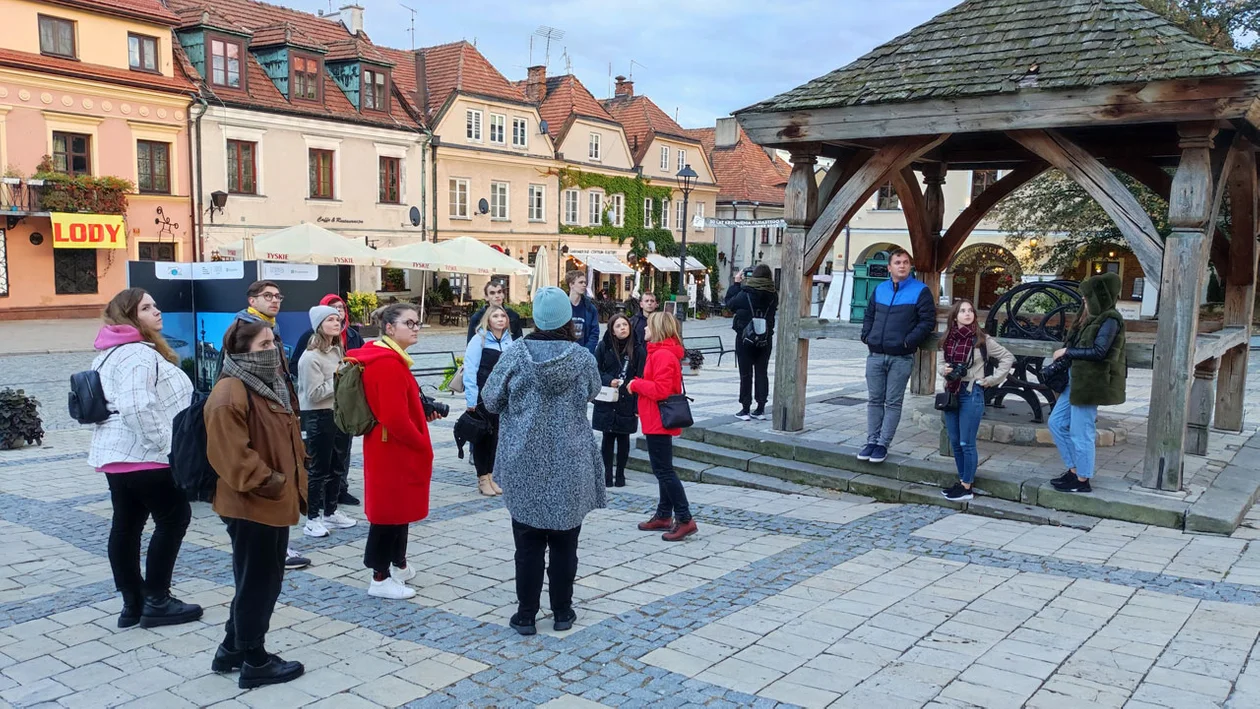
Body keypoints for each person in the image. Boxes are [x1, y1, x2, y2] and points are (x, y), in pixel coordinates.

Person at [482, 286, 605, 635]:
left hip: (524, 459)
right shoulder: (581, 358)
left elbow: (490, 399)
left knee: (528, 542)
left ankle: (526, 615)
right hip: (571, 460)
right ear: (568, 318)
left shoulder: (515, 354)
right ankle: (563, 612)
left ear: (536, 317)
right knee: (566, 541)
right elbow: (594, 391)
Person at [88, 288, 202, 630]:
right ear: (129, 315)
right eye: (147, 307)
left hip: (116, 457)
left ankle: (132, 602)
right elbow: (138, 405)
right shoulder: (137, 354)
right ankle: (157, 600)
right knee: (173, 519)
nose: (157, 311)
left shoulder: (106, 354)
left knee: (126, 526)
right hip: (147, 458)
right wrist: (168, 446)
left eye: (155, 304)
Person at [205, 318, 307, 689]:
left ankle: (232, 648)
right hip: (253, 503)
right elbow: (232, 456)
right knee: (258, 584)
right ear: (241, 352)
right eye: (263, 346)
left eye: (273, 344)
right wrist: (272, 482)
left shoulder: (265, 383)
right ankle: (254, 660)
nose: (272, 352)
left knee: (260, 579)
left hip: (271, 502)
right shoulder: (231, 391)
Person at [346, 304, 436, 599]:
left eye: (417, 323)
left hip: (390, 446)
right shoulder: (386, 363)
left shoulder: (391, 358)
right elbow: (395, 417)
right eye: (409, 323)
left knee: (398, 510)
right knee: (387, 513)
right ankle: (379, 576)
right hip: (392, 448)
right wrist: (421, 442)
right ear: (389, 328)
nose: (415, 328)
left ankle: (397, 564)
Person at [230, 280, 311, 570]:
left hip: (277, 406)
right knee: (268, 476)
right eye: (268, 296)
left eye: (278, 296)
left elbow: (281, 373)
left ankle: (279, 543)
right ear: (252, 300)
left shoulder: (270, 326)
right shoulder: (245, 327)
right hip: (259, 413)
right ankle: (272, 547)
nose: (275, 300)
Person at [1047, 273, 1127, 494]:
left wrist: (1067, 351)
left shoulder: (1110, 319)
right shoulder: (1089, 317)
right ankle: (1075, 470)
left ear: (1099, 296)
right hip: (1075, 380)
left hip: (1090, 383)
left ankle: (1082, 480)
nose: (1083, 299)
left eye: (1087, 295)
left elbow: (1100, 352)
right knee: (1056, 423)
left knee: (1082, 432)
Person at [859, 248, 936, 464]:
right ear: (889, 267)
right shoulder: (880, 289)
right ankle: (871, 441)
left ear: (910, 266)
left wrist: (908, 342)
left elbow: (927, 322)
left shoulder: (920, 291)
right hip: (875, 354)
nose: (902, 265)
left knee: (892, 402)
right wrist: (867, 336)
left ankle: (883, 444)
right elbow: (869, 314)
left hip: (901, 357)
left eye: (905, 262)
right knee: (874, 400)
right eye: (897, 262)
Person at [627, 312, 698, 542]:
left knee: (664, 471)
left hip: (659, 420)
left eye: (647, 325)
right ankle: (664, 514)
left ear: (657, 329)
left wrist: (636, 384)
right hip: (653, 418)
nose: (643, 329)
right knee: (662, 469)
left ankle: (685, 518)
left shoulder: (663, 355)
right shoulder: (658, 353)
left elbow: (662, 390)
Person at [937, 299, 1014, 501]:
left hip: (972, 392)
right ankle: (963, 480)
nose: (967, 314)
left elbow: (1007, 357)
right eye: (962, 311)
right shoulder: (947, 339)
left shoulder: (982, 340)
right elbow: (941, 361)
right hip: (952, 392)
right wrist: (943, 370)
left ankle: (967, 486)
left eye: (970, 310)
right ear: (955, 316)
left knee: (966, 442)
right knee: (954, 441)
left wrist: (992, 380)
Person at [296, 305, 357, 537]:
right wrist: (341, 379)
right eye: (330, 319)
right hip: (319, 416)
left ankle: (331, 512)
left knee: (337, 466)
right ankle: (312, 518)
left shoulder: (336, 351)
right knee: (318, 469)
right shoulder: (310, 357)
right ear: (319, 325)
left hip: (339, 414)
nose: (337, 322)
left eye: (337, 319)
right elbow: (314, 393)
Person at [463, 305, 512, 496]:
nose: (500, 319)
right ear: (488, 320)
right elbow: (470, 369)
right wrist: (471, 399)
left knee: (497, 438)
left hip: (503, 397)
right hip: (483, 395)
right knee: (484, 436)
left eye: (503, 316)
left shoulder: (510, 341)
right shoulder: (479, 340)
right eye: (495, 316)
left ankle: (491, 475)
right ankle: (482, 477)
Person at [592, 314, 645, 487]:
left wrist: (638, 404)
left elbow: (642, 376)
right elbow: (594, 371)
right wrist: (608, 380)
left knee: (623, 438)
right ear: (612, 331)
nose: (623, 328)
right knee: (607, 437)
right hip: (607, 397)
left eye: (625, 324)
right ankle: (606, 475)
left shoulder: (638, 349)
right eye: (618, 325)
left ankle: (620, 475)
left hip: (627, 399)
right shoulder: (603, 346)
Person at [725, 264, 779, 421]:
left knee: (746, 373)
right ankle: (760, 408)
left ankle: (745, 409)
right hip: (765, 338)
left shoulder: (746, 293)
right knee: (762, 372)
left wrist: (736, 283)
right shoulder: (773, 295)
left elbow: (729, 304)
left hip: (745, 338)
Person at [565, 270, 601, 354]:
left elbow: (594, 333)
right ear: (571, 285)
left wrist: (587, 352)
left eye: (585, 282)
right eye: (580, 282)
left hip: (584, 352)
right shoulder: (562, 306)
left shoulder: (590, 308)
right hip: (565, 353)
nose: (584, 285)